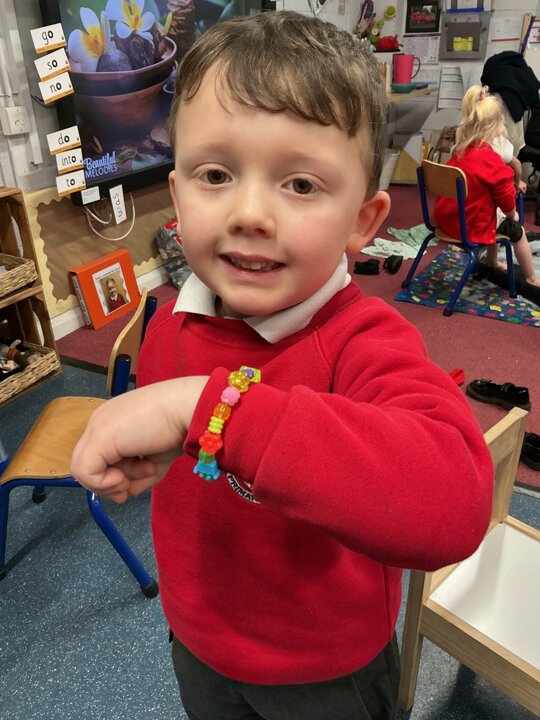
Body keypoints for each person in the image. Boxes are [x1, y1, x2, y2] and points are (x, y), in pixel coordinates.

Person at [71, 12, 494, 720]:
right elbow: (197, 453)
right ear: (176, 197)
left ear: (361, 222)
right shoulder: (173, 318)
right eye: (215, 174)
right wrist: (167, 440)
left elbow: (454, 506)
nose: (250, 214)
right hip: (198, 640)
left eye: (300, 184)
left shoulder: (362, 342)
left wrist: (204, 410)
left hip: (325, 673)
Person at [435, 86, 540, 287]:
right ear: (495, 127)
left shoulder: (458, 152)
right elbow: (506, 200)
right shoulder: (492, 161)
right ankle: (531, 278)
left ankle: (492, 261)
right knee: (516, 229)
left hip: (446, 221)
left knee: (494, 211)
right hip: (471, 226)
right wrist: (512, 215)